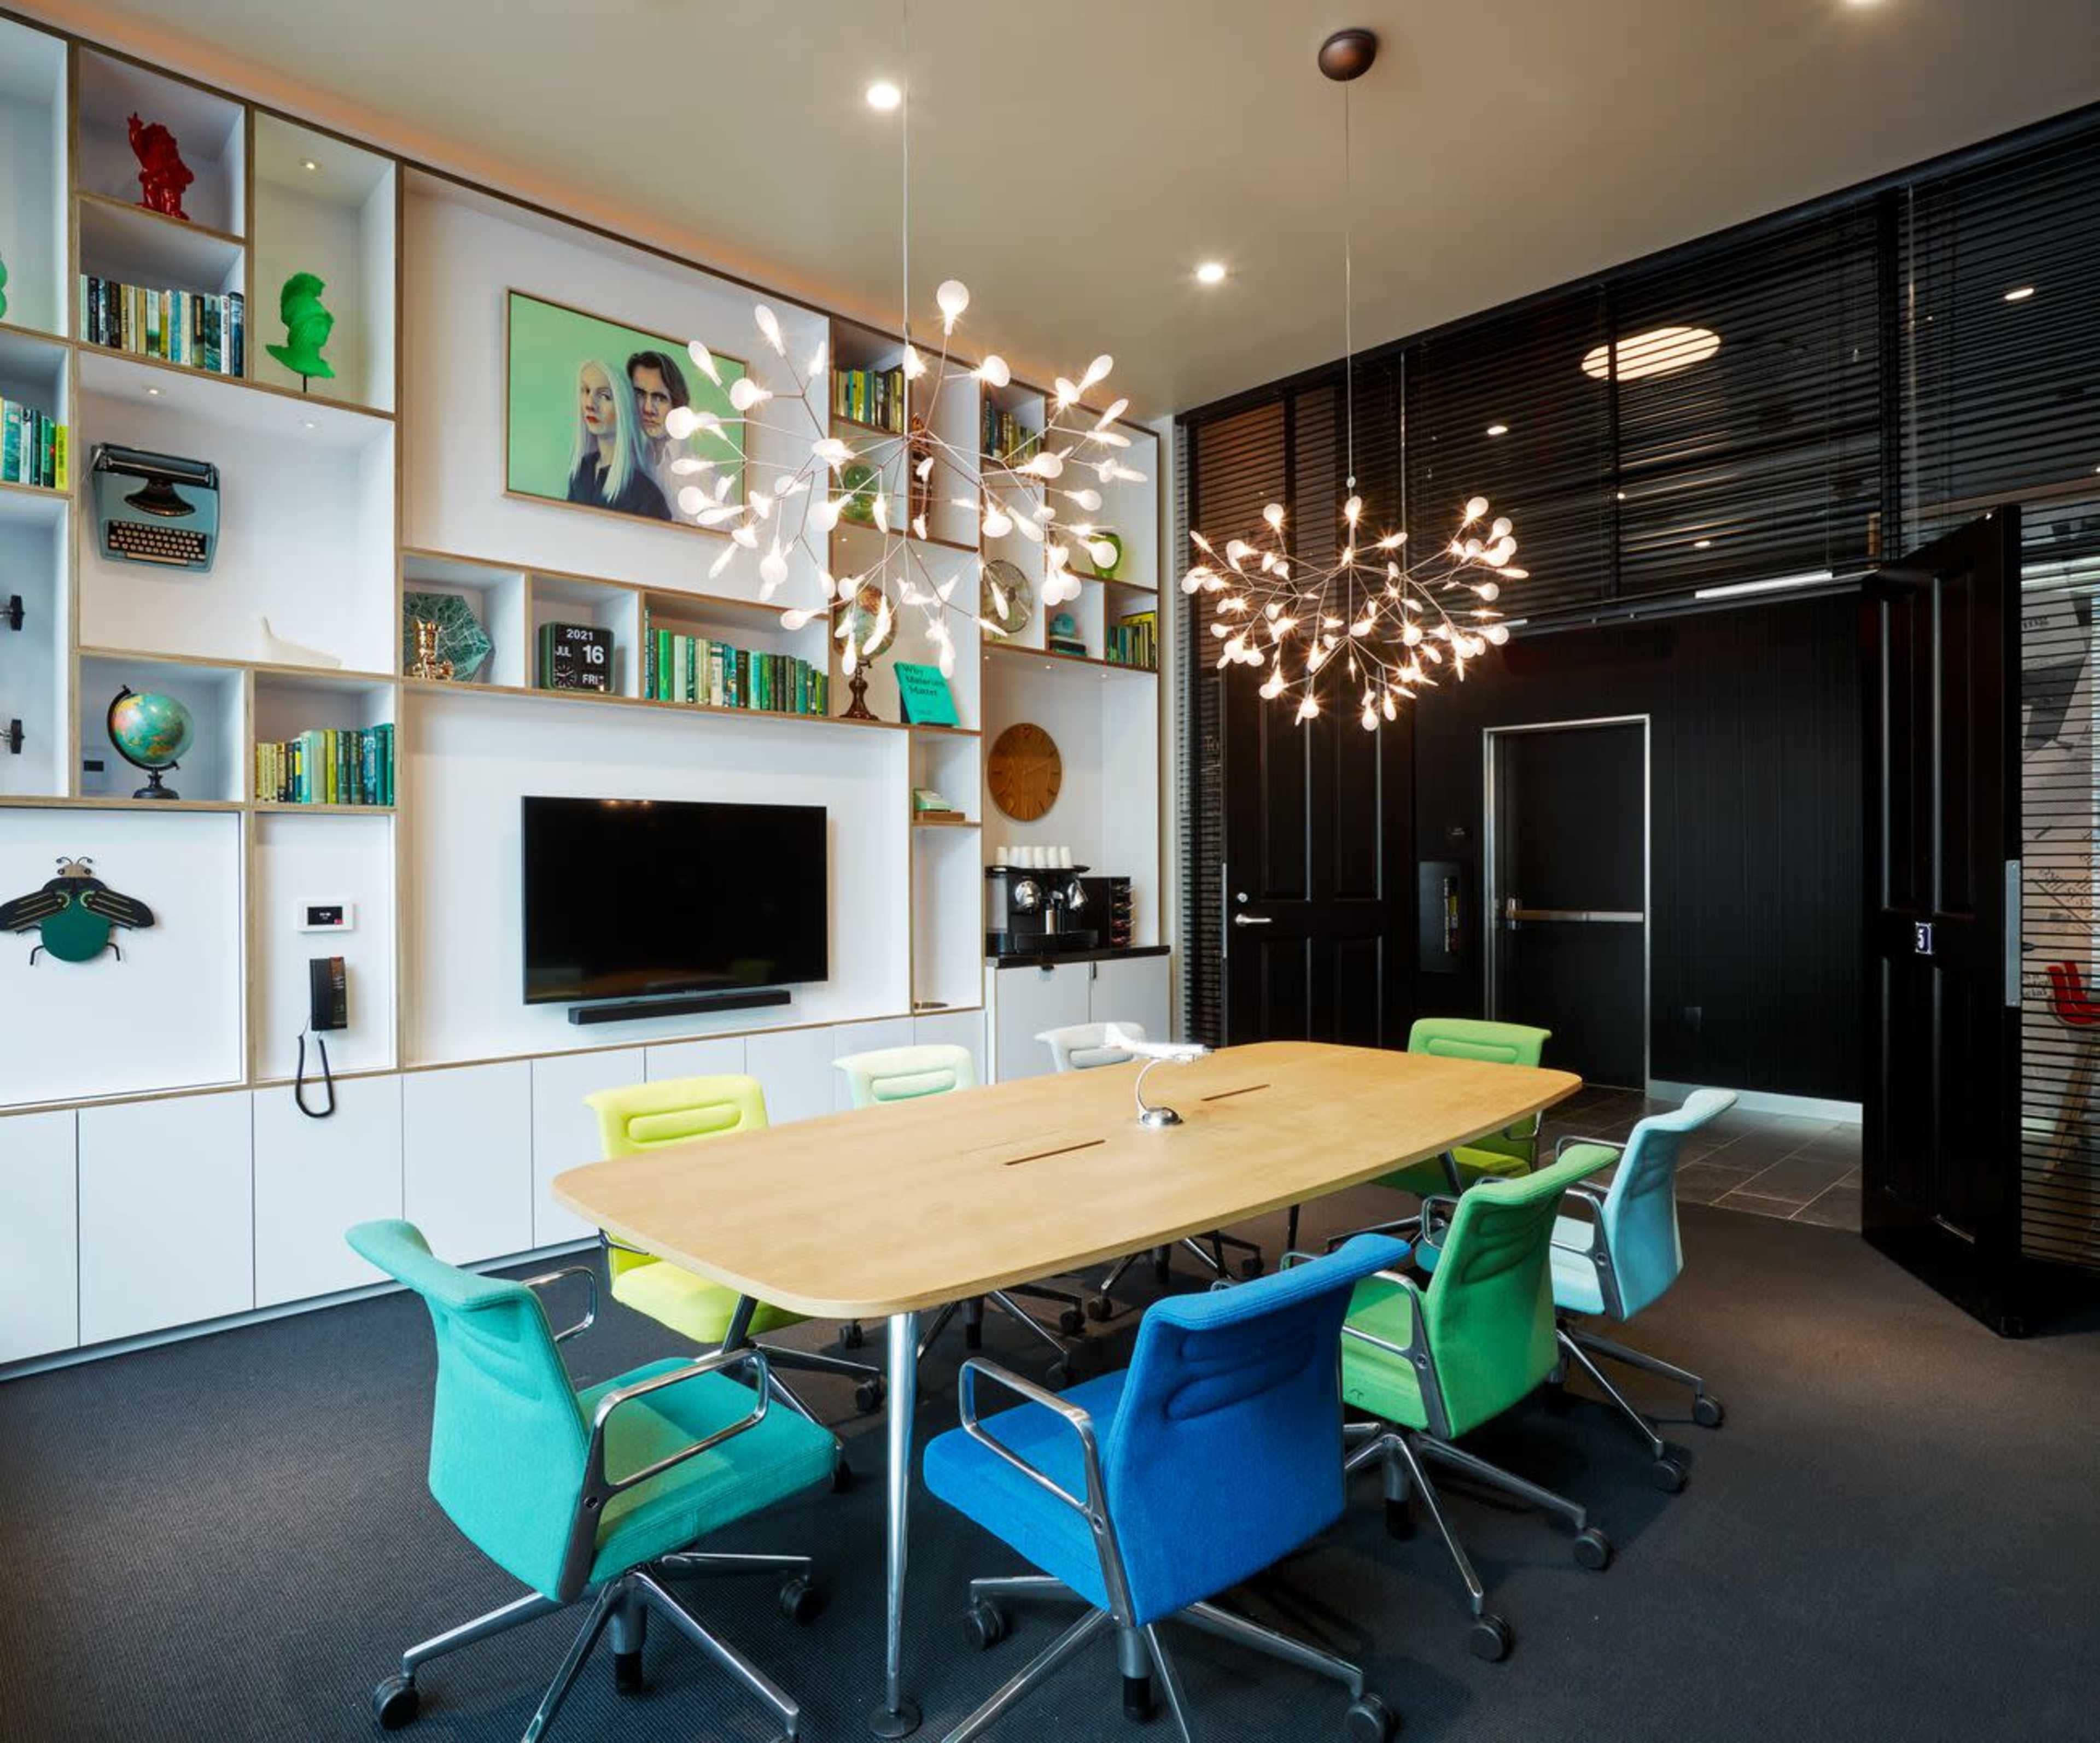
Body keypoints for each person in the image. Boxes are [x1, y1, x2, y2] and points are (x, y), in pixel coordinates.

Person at [565, 357, 669, 520]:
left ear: (624, 407)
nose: (589, 404)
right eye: (586, 391)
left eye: (605, 396)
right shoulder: (580, 472)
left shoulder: (646, 496)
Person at [627, 348, 692, 510]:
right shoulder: (633, 462)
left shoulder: (700, 475)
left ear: (677, 404)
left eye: (659, 398)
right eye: (640, 394)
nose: (648, 409)